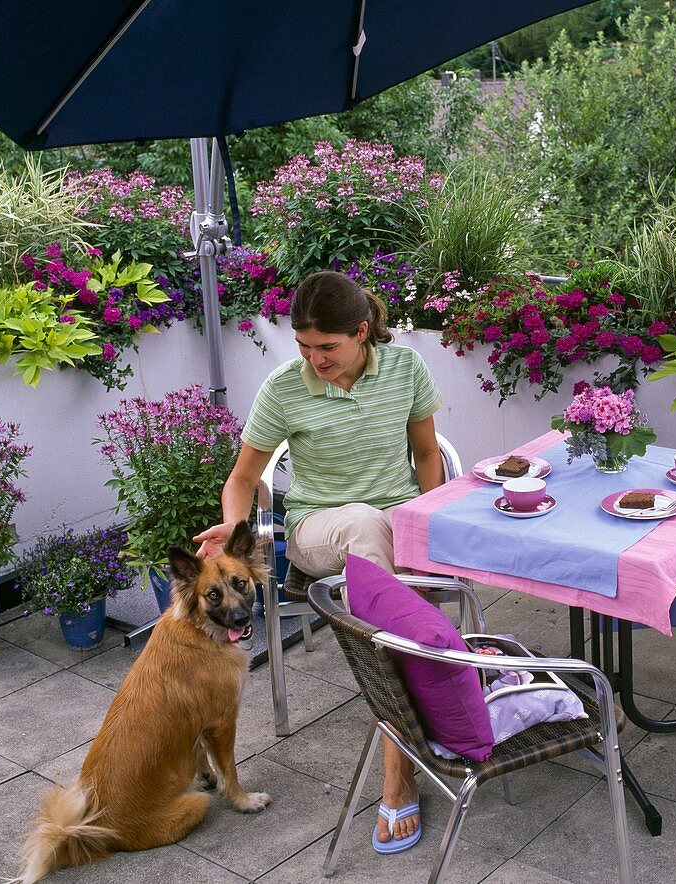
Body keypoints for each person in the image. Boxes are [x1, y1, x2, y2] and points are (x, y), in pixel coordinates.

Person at [194, 270, 443, 854]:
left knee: (386, 552)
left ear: (362, 332)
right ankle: (399, 772)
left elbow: (428, 456)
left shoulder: (405, 370)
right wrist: (235, 534)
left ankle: (411, 681)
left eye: (327, 347)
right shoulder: (283, 388)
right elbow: (242, 480)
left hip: (393, 524)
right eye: (304, 347)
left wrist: (428, 526)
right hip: (317, 530)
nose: (315, 359)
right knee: (364, 527)